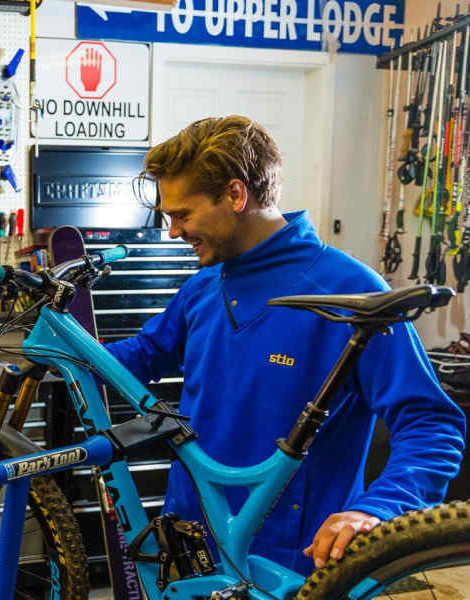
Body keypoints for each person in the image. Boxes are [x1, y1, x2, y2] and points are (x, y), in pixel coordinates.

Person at [104, 116, 466, 576]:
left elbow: (431, 422)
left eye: (183, 214)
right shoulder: (203, 286)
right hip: (191, 548)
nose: (173, 231)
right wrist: (59, 349)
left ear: (236, 195)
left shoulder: (351, 293)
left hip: (294, 567)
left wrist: (379, 509)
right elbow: (140, 357)